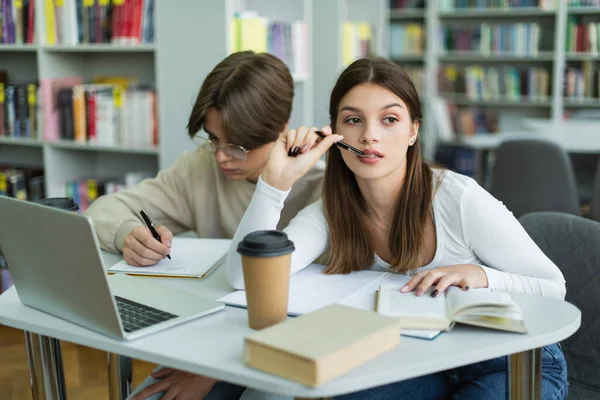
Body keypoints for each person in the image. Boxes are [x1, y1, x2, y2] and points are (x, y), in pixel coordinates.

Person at [224, 57, 568, 400]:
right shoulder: (332, 210)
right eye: (354, 120)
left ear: (413, 131)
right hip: (420, 360)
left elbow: (554, 287)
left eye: (389, 119)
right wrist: (274, 182)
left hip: (508, 357)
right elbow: (244, 277)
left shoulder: (459, 199)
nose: (370, 135)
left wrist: (483, 275)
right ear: (334, 132)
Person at [84, 51, 325, 400]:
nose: (221, 156)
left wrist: (212, 369)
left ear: (281, 127)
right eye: (212, 138)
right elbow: (104, 210)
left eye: (237, 146)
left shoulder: (323, 184)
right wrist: (127, 235)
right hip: (207, 339)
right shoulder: (199, 169)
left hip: (289, 346)